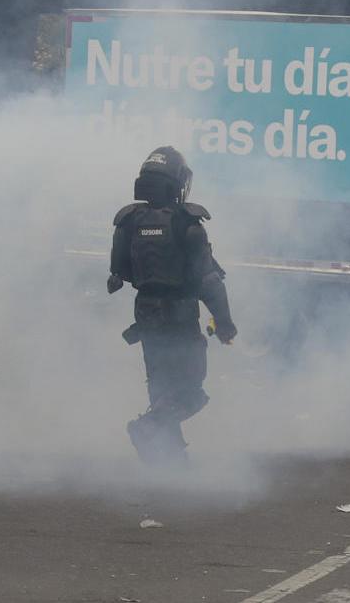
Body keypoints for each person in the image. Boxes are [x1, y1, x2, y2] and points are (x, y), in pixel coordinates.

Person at [107, 147, 235, 463]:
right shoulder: (187, 224)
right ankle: (147, 429)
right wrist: (225, 322)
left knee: (161, 389)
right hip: (180, 316)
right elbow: (208, 282)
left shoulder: (127, 222)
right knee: (190, 392)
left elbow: (119, 271)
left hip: (146, 315)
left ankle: (169, 464)